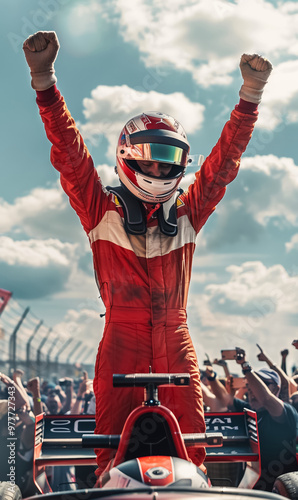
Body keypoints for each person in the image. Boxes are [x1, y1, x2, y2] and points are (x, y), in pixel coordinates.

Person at [22, 30, 272, 477]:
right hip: (120, 338)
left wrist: (249, 97)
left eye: (167, 162)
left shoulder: (190, 211)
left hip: (176, 336)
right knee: (110, 455)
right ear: (128, 157)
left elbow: (223, 164)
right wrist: (45, 81)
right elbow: (69, 154)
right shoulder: (100, 208)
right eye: (150, 160)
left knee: (194, 454)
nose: (158, 170)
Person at [213, 349, 298, 491]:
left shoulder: (286, 412)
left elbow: (265, 398)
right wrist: (212, 377)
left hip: (282, 491)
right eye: (249, 388)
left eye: (258, 385)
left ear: (275, 388)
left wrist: (246, 367)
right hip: (257, 487)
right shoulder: (252, 411)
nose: (252, 393)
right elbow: (227, 401)